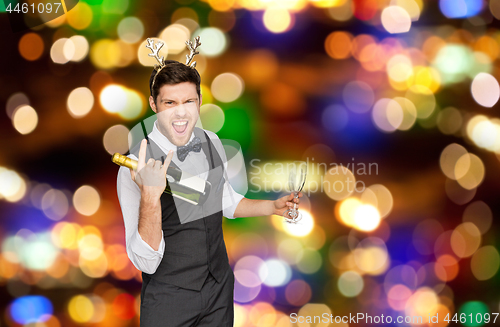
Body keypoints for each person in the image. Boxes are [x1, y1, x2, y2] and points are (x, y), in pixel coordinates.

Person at [116, 37, 301, 327]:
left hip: (219, 292)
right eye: (170, 102)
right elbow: (145, 262)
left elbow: (226, 200)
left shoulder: (212, 142)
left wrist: (272, 207)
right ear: (154, 104)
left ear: (200, 101)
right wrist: (151, 196)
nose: (181, 112)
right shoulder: (132, 167)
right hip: (169, 300)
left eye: (189, 101)